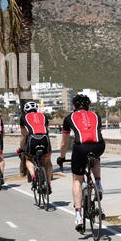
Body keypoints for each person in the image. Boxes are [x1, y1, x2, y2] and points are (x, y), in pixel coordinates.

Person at [57, 94, 105, 231]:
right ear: (88, 106)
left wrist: (61, 157)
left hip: (81, 148)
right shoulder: (96, 116)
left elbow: (64, 143)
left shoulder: (69, 118)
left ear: (74, 106)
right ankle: (98, 184)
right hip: (99, 146)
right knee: (95, 158)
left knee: (77, 180)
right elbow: (97, 134)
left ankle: (78, 215)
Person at [19, 101, 53, 194]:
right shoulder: (44, 116)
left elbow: (23, 135)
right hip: (44, 138)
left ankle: (33, 177)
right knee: (48, 162)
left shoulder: (23, 117)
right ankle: (49, 184)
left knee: (29, 159)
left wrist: (21, 148)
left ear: (25, 110)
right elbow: (46, 129)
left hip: (32, 139)